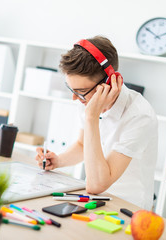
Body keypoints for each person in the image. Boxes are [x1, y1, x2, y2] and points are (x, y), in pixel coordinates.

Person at [35, 36, 158, 210]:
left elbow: (97, 184)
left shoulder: (139, 116)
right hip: (94, 200)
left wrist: (91, 117)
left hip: (127, 208)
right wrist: (58, 161)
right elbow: (82, 145)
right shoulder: (86, 100)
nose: (75, 98)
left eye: (81, 91)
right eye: (72, 89)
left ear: (109, 83)